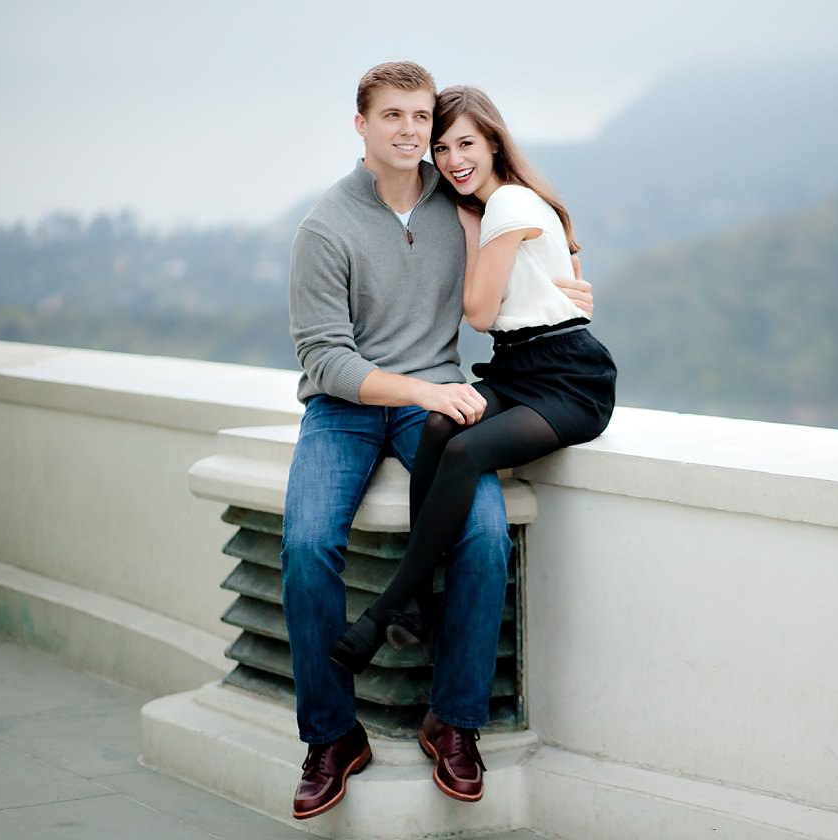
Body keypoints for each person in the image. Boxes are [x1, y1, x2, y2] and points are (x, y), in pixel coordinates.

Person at [282, 62, 594, 819]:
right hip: (349, 405)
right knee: (306, 544)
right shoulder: (326, 227)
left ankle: (453, 722)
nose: (411, 132)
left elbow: (527, 241)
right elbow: (323, 357)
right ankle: (332, 736)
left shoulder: (457, 200)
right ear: (361, 125)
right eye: (393, 117)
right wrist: (420, 389)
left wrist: (565, 288)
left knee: (485, 537)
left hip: (441, 395)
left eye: (420, 117)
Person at [329, 86, 616, 690]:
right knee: (440, 424)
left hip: (570, 383)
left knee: (464, 448)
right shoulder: (491, 212)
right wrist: (470, 221)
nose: (455, 159)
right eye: (442, 147)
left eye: (466, 144)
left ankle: (388, 608)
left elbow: (479, 313)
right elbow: (554, 285)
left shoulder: (508, 204)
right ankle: (410, 607)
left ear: (493, 142)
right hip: (516, 371)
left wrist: (468, 223)